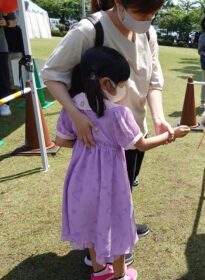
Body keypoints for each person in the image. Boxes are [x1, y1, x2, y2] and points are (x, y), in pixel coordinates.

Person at [41, 0, 172, 267]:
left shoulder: (149, 32)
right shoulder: (88, 30)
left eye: (154, 13)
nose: (148, 19)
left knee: (122, 189)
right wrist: (76, 116)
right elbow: (52, 74)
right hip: (101, 136)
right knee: (98, 194)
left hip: (133, 131)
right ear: (120, 4)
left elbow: (153, 80)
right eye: (141, 12)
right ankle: (100, 252)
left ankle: (119, 232)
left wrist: (158, 117)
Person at [55, 46, 189, 280]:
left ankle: (98, 272)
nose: (124, 88)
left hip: (80, 179)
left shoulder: (73, 106)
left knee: (90, 223)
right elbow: (142, 145)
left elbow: (61, 141)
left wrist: (86, 143)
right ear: (107, 83)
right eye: (123, 83)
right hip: (110, 182)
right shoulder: (118, 113)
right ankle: (120, 275)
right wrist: (172, 134)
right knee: (116, 225)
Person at [0, 12, 17, 116]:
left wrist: (5, 22)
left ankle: (5, 105)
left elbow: (13, 23)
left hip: (1, 48)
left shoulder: (2, 5)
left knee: (3, 78)